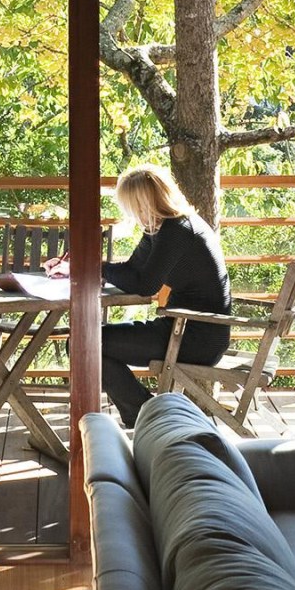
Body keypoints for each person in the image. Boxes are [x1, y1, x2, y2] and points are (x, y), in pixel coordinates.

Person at [70, 163, 231, 427]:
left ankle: (146, 415)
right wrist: (96, 268)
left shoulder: (176, 231)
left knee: (83, 344)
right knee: (83, 341)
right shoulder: (164, 227)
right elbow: (133, 270)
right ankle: (146, 413)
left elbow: (145, 285)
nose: (133, 214)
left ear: (147, 201)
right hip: (181, 329)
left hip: (194, 338)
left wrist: (95, 268)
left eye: (133, 206)